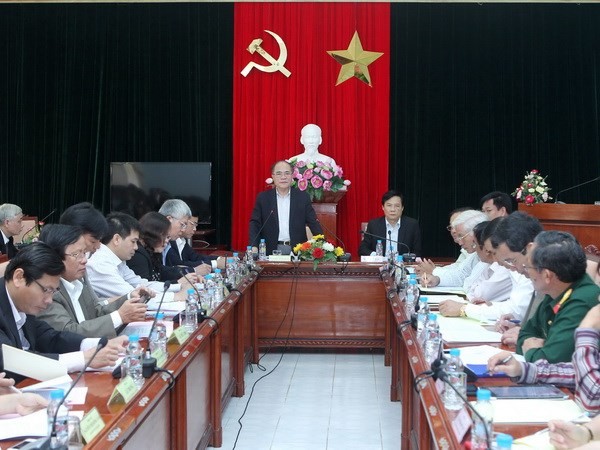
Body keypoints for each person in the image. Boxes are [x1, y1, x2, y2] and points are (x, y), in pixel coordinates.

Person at [0, 243, 126, 382]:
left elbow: (49, 338)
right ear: (19, 277)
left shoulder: (23, 303)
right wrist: (84, 359)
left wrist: (99, 344)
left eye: (53, 291)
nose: (49, 300)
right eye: (46, 290)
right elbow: (10, 361)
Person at [37, 224, 148, 338]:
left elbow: (96, 312)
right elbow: (68, 332)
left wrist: (129, 298)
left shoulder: (78, 279)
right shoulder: (48, 291)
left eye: (84, 253)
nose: (84, 260)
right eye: (76, 254)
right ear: (55, 257)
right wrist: (120, 316)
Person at [515, 231, 600, 363]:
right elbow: (524, 335)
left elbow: (549, 361)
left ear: (547, 276)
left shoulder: (581, 302)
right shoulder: (557, 290)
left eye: (528, 267)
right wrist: (535, 348)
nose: (526, 272)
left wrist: (531, 350)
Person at [86, 212, 192, 301]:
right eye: (133, 242)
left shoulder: (116, 260)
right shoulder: (100, 264)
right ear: (117, 239)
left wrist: (179, 287)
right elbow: (134, 296)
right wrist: (176, 296)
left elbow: (141, 284)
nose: (136, 247)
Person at [439, 219, 527, 321]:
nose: (497, 260)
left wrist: (465, 309)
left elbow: (517, 311)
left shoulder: (521, 268)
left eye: (493, 252)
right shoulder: (514, 264)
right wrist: (489, 305)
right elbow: (513, 307)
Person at [249, 160, 322, 255]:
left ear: (292, 176)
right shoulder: (263, 198)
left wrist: (322, 244)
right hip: (270, 250)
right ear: (273, 176)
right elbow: (255, 223)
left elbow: (313, 222)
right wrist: (253, 246)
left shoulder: (302, 197)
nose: (283, 177)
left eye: (287, 173)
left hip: (297, 250)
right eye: (279, 174)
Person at [419, 210, 486, 287]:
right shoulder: (476, 254)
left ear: (476, 233)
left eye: (461, 236)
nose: (460, 242)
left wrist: (433, 271)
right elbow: (461, 274)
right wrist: (437, 280)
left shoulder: (494, 258)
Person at [359, 190, 422, 257]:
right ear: (383, 207)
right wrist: (377, 255)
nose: (393, 209)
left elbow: (417, 252)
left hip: (403, 265)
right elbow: (362, 249)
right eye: (389, 205)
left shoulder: (412, 225)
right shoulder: (373, 225)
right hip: (379, 265)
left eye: (397, 206)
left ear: (402, 208)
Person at [416, 207, 472, 277]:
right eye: (451, 227)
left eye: (457, 226)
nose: (453, 231)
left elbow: (462, 275)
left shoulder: (477, 249)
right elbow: (457, 267)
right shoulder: (466, 248)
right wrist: (434, 269)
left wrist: (433, 271)